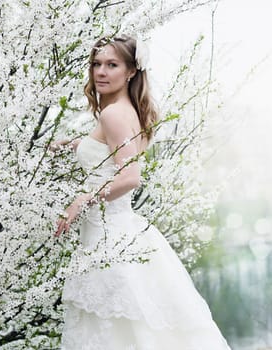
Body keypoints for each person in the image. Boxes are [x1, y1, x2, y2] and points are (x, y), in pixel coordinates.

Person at [51, 35, 231, 349]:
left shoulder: (112, 114)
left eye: (112, 65)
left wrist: (82, 199)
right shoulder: (127, 109)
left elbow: (130, 177)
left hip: (111, 239)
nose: (101, 72)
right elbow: (112, 154)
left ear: (132, 71)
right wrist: (76, 145)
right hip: (117, 233)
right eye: (96, 64)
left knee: (120, 333)